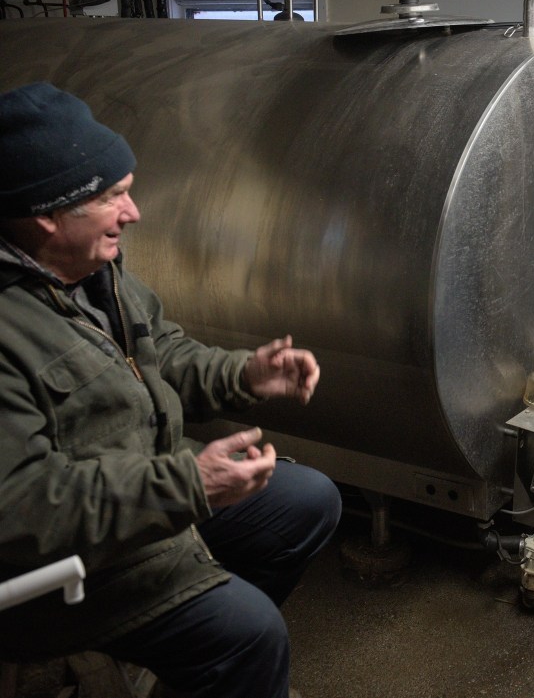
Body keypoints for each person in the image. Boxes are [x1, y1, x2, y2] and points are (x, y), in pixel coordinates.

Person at [0, 82, 342, 696]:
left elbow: (157, 352)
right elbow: (21, 506)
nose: (134, 214)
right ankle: (220, 651)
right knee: (251, 632)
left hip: (147, 501)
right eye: (113, 198)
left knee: (309, 500)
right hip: (61, 569)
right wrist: (187, 484)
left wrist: (243, 374)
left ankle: (203, 669)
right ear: (46, 215)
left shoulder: (91, 269)